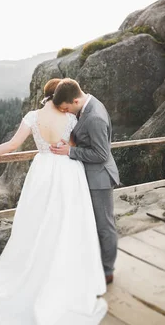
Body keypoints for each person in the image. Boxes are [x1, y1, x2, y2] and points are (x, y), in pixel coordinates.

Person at [0, 78, 107, 325]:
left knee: (37, 224)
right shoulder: (72, 117)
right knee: (68, 224)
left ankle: (36, 272)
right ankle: (66, 278)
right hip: (67, 171)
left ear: (45, 97)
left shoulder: (32, 116)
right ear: (59, 99)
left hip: (41, 171)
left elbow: (12, 145)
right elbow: (75, 146)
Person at [50, 78, 119, 285]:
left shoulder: (95, 117)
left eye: (66, 108)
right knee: (94, 224)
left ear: (75, 101)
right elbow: (86, 139)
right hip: (90, 176)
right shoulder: (88, 106)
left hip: (99, 178)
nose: (66, 112)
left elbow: (101, 154)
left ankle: (107, 271)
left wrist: (69, 151)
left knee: (104, 226)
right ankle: (95, 265)